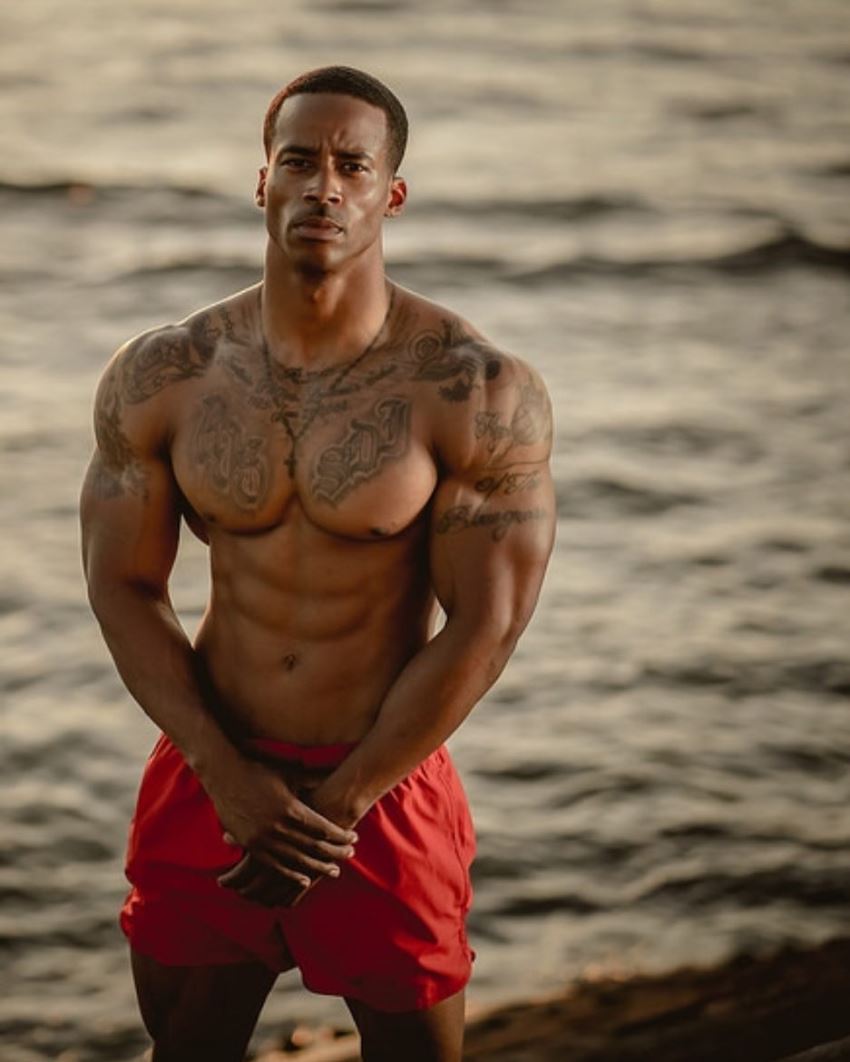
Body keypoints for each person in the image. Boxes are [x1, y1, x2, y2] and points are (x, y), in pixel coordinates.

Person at [80, 65, 555, 1062]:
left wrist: (343, 802)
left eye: (352, 164)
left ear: (391, 193)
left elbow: (487, 626)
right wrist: (222, 771)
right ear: (263, 183)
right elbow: (123, 585)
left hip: (380, 789)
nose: (324, 185)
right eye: (300, 159)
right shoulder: (165, 373)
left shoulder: (471, 388)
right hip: (213, 769)